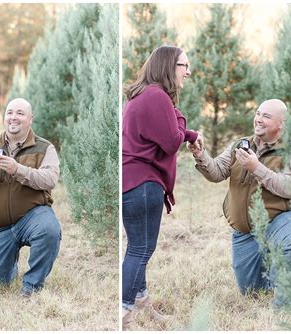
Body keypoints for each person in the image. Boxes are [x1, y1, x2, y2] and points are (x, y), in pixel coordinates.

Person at [188, 99, 291, 307]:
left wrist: (256, 167)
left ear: (282, 123)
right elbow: (217, 172)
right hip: (246, 231)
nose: (258, 120)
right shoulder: (241, 144)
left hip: (279, 221)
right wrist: (201, 155)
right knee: (251, 291)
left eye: (266, 116)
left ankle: (286, 308)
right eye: (258, 114)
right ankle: (273, 268)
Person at [122, 45, 200, 328]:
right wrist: (181, 119)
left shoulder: (143, 95)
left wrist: (188, 133)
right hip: (143, 184)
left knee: (136, 247)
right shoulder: (158, 96)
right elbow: (170, 141)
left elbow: (162, 135)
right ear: (169, 66)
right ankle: (123, 312)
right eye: (184, 65)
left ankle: (142, 304)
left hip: (131, 183)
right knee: (141, 250)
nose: (188, 71)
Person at [0, 97, 61, 298]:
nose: (14, 117)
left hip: (31, 217)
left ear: (30, 119)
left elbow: (50, 179)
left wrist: (18, 169)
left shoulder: (44, 147)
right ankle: (8, 261)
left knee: (49, 230)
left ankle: (31, 287)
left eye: (20, 113)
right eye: (10, 113)